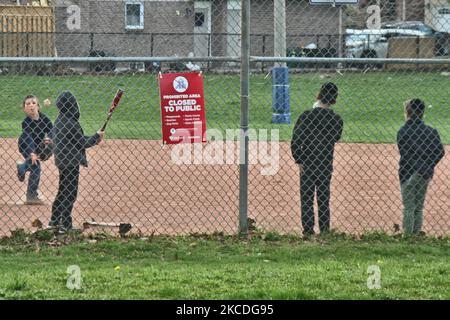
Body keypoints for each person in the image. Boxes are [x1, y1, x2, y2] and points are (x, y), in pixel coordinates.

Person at [291, 82, 344, 237]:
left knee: (307, 198)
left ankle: (308, 230)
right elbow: (336, 137)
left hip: (307, 162)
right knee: (323, 198)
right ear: (334, 99)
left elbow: (296, 140)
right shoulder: (336, 119)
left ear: (319, 95)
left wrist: (299, 159)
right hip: (325, 163)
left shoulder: (306, 116)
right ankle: (325, 230)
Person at [49, 91, 104, 232]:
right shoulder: (71, 123)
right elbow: (81, 142)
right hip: (70, 162)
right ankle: (65, 225)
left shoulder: (60, 120)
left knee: (63, 190)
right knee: (70, 193)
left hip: (62, 161)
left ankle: (54, 220)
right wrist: (96, 138)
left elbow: (75, 139)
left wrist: (95, 137)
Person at [397, 99, 444, 235]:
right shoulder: (431, 132)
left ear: (407, 112)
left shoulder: (403, 131)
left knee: (409, 207)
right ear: (422, 113)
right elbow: (439, 151)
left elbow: (404, 153)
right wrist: (427, 165)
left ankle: (407, 235)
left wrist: (416, 166)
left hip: (407, 172)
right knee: (418, 207)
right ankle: (416, 234)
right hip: (425, 173)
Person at [16, 95, 53, 205]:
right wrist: (31, 152)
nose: (31, 105)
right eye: (28, 104)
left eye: (33, 103)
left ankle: (22, 167)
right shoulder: (26, 122)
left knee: (35, 166)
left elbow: (52, 130)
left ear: (38, 106)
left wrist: (48, 138)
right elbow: (28, 138)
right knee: (36, 166)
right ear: (24, 109)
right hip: (26, 145)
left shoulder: (44, 118)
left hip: (37, 146)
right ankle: (31, 195)